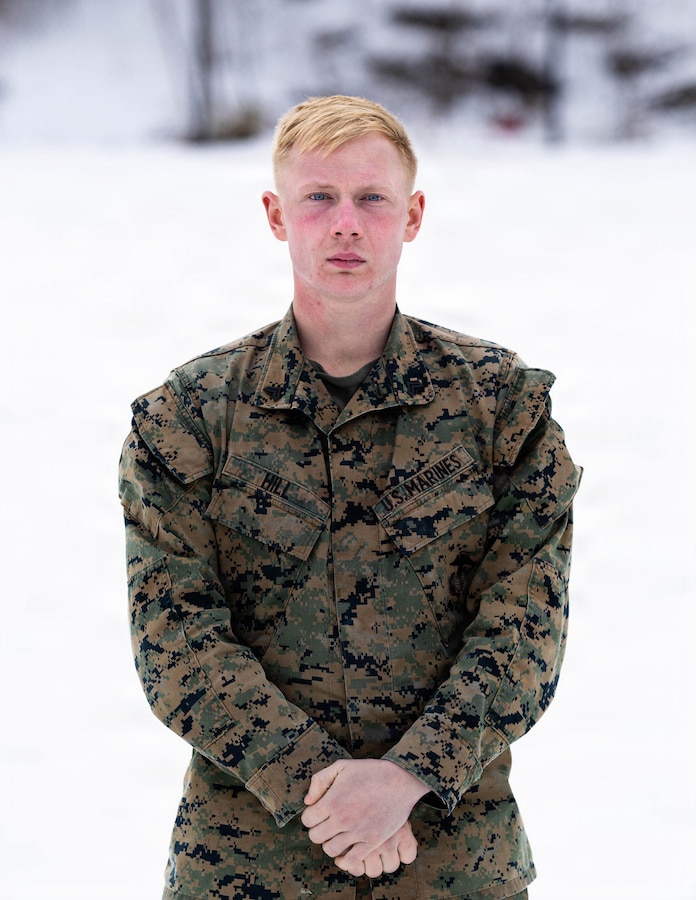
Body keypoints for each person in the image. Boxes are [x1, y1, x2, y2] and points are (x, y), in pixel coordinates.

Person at [119, 94, 581, 900]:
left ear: (412, 215)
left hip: (451, 862)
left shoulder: (500, 409)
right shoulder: (189, 418)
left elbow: (524, 628)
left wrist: (408, 777)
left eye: (371, 198)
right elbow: (177, 642)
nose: (345, 224)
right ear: (276, 215)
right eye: (318, 198)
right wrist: (326, 789)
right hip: (247, 868)